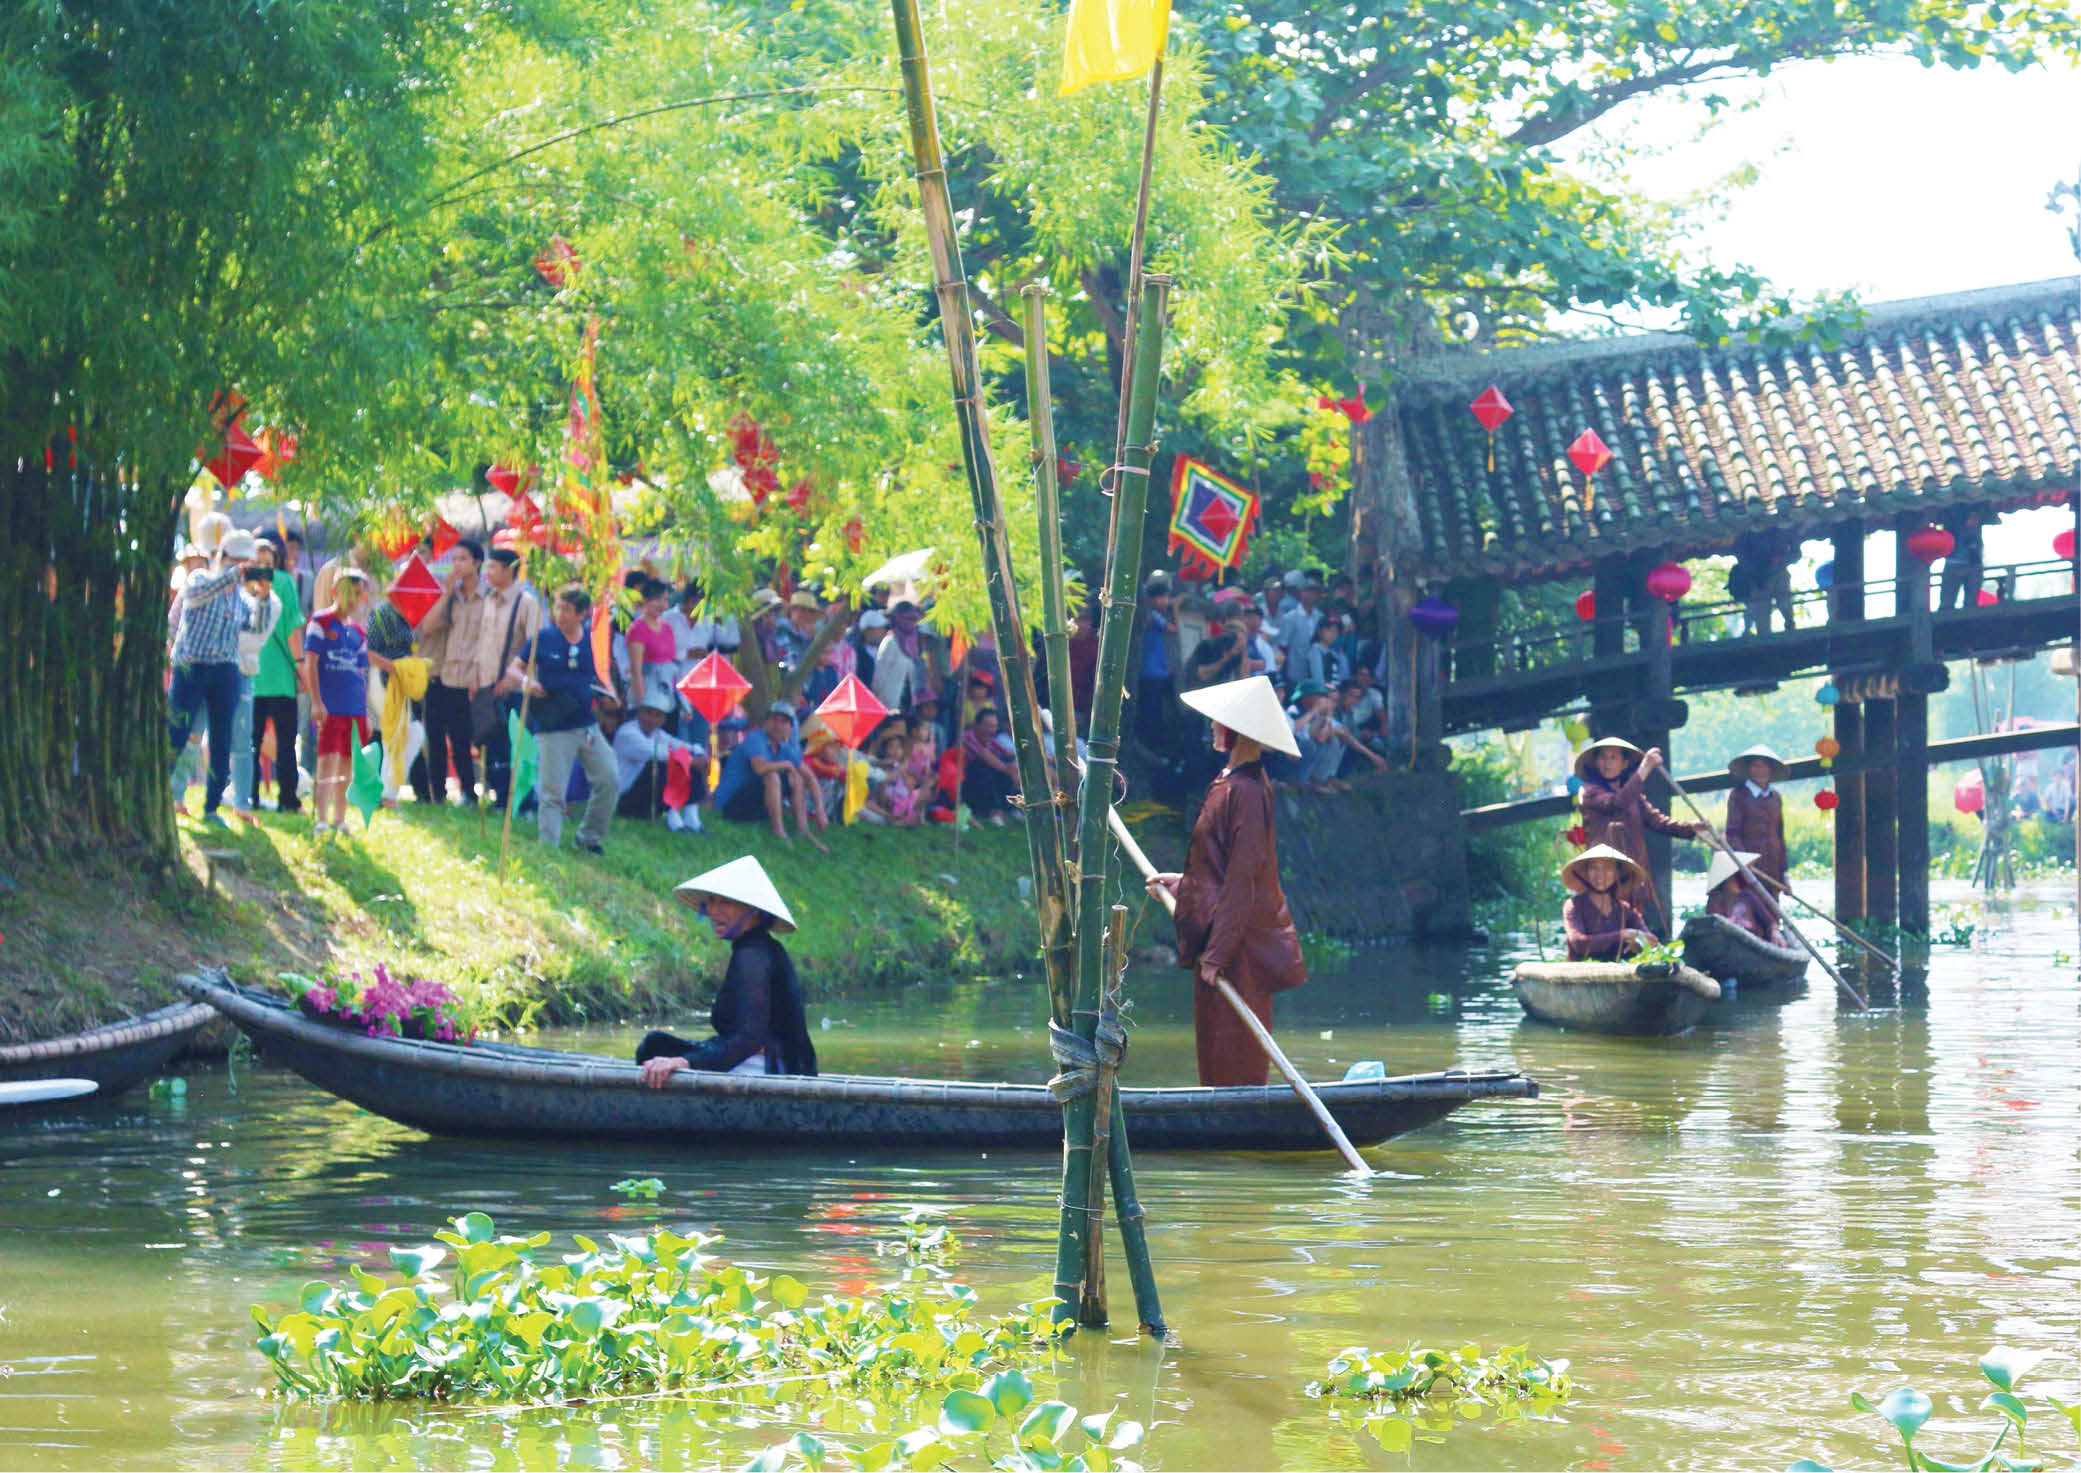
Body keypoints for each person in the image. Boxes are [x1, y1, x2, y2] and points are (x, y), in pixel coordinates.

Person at [1144, 675, 1307, 1088]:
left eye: (1219, 721)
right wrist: (1187, 884)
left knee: (1236, 1059)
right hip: (1221, 937)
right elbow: (1220, 865)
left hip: (1239, 949)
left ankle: (1239, 1132)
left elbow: (1243, 880)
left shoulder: (1249, 791)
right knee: (1214, 1054)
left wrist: (1218, 953)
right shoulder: (1227, 781)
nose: (1212, 727)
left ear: (1237, 730)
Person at [636, 856, 817, 1081]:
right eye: (712, 901)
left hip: (768, 1069)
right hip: (761, 1060)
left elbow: (750, 1038)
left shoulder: (753, 955)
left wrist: (685, 1062)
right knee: (655, 1045)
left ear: (754, 911)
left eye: (726, 902)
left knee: (658, 1050)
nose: (713, 910)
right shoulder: (758, 948)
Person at [502, 583, 619, 853]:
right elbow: (513, 671)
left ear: (582, 614)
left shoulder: (593, 642)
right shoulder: (543, 639)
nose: (560, 613)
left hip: (587, 724)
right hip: (553, 726)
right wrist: (527, 682)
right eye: (558, 607)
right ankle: (548, 848)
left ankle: (589, 838)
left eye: (567, 609)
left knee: (609, 779)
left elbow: (603, 675)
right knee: (553, 792)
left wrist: (610, 694)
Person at [166, 526, 252, 829]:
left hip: (226, 670)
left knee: (221, 740)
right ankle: (163, 794)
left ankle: (212, 807)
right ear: (224, 557)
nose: (243, 569)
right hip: (191, 667)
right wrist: (230, 576)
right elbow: (197, 595)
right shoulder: (199, 578)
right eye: (239, 562)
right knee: (177, 732)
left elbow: (254, 627)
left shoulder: (242, 597)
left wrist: (263, 597)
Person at [1575, 736, 1704, 937]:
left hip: (1630, 871)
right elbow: (1616, 803)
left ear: (1624, 763)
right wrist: (1645, 768)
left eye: (1613, 758)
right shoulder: (1589, 791)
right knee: (1606, 924)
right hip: (1602, 871)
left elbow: (1658, 822)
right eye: (1602, 758)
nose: (1607, 763)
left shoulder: (1634, 795)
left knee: (1633, 925)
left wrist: (1691, 828)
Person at [302, 567, 387, 837]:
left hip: (354, 710)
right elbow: (311, 665)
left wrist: (368, 714)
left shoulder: (358, 633)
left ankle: (340, 819)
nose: (352, 600)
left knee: (348, 765)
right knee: (327, 762)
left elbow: (362, 676)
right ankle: (321, 819)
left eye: (358, 595)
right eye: (348, 593)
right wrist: (316, 702)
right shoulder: (320, 622)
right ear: (335, 592)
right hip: (330, 708)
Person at [415, 538, 488, 804]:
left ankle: (469, 792)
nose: (456, 564)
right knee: (434, 738)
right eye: (454, 559)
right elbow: (428, 627)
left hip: (471, 678)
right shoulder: (450, 596)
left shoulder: (489, 598)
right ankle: (438, 795)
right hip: (442, 675)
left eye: (462, 559)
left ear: (477, 563)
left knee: (463, 740)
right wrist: (445, 593)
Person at [477, 546, 543, 812]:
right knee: (494, 747)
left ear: (508, 570)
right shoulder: (488, 599)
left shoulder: (526, 602)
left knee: (519, 749)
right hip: (487, 687)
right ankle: (501, 799)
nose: (488, 573)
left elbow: (534, 646)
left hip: (514, 689)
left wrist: (512, 679)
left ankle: (524, 803)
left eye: (492, 567)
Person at [712, 701, 829, 850]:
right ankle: (779, 832)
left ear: (790, 728)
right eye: (774, 719)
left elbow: (810, 777)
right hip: (730, 806)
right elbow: (760, 768)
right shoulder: (755, 738)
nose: (778, 725)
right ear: (766, 722)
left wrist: (820, 809)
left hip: (756, 808)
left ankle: (803, 830)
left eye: (784, 722)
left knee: (798, 779)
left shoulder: (784, 748)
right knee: (772, 776)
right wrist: (787, 766)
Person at [249, 532, 306, 812]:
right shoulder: (285, 581)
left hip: (250, 674)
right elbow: (293, 627)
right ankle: (288, 799)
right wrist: (300, 665)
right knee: (286, 742)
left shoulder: (243, 584)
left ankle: (249, 797)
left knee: (251, 741)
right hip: (282, 675)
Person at [228, 537, 279, 826]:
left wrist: (261, 597)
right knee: (195, 733)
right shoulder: (225, 589)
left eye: (266, 566)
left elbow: (253, 639)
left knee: (244, 740)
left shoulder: (273, 602)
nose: (259, 571)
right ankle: (178, 795)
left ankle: (243, 802)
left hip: (245, 672)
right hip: (213, 667)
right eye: (254, 564)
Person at [611, 694, 708, 830]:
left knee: (688, 759)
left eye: (657, 716)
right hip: (625, 799)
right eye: (648, 713)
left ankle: (692, 819)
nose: (651, 719)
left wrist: (699, 753)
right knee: (663, 765)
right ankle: (673, 820)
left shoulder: (657, 734)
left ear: (663, 720)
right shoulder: (627, 733)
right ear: (639, 712)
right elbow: (658, 753)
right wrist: (692, 760)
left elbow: (680, 745)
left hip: (648, 796)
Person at [1559, 842, 1655, 961]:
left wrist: (1640, 942)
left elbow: (1652, 941)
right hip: (1580, 973)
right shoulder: (1574, 905)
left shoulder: (1625, 910)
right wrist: (1621, 935)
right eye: (1594, 868)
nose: (1600, 874)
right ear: (1586, 873)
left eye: (1608, 868)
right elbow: (1578, 943)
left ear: (1617, 873)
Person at [1722, 744, 1790, 890]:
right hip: (1748, 868)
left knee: (1772, 910)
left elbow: (1779, 836)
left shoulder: (1775, 797)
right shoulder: (1739, 796)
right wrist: (1744, 860)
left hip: (1772, 868)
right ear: (1748, 769)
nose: (1759, 770)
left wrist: (1784, 873)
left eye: (1764, 766)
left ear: (1770, 770)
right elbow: (1732, 833)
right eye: (1755, 766)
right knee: (1748, 906)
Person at [1136, 575, 1180, 749]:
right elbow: (1174, 628)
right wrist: (1175, 608)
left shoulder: (1152, 616)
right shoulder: (1154, 616)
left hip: (1157, 671)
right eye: (1163, 597)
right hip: (1151, 673)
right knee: (1152, 713)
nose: (1166, 601)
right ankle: (1151, 745)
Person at [1703, 848, 1781, 943]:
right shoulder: (1715, 900)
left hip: (1751, 944)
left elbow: (1770, 922)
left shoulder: (1747, 896)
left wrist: (1775, 932)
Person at [625, 577, 679, 713]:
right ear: (645, 600)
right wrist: (642, 705)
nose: (662, 605)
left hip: (667, 695)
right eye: (658, 599)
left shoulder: (667, 628)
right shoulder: (637, 629)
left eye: (665, 600)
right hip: (648, 695)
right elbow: (636, 671)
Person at [960, 707, 1019, 825]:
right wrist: (1010, 771)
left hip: (986, 781)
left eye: (993, 726)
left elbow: (1009, 754)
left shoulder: (990, 740)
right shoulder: (968, 736)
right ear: (976, 725)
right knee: (987, 767)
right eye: (987, 725)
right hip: (966, 783)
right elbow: (985, 756)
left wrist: (1014, 766)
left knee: (1007, 763)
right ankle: (993, 811)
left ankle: (1008, 808)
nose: (990, 729)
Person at [1939, 508, 1986, 610]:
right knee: (1947, 604)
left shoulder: (1974, 531)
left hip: (1973, 564)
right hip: (1954, 564)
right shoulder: (1951, 522)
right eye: (1972, 517)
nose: (1974, 520)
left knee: (1972, 604)